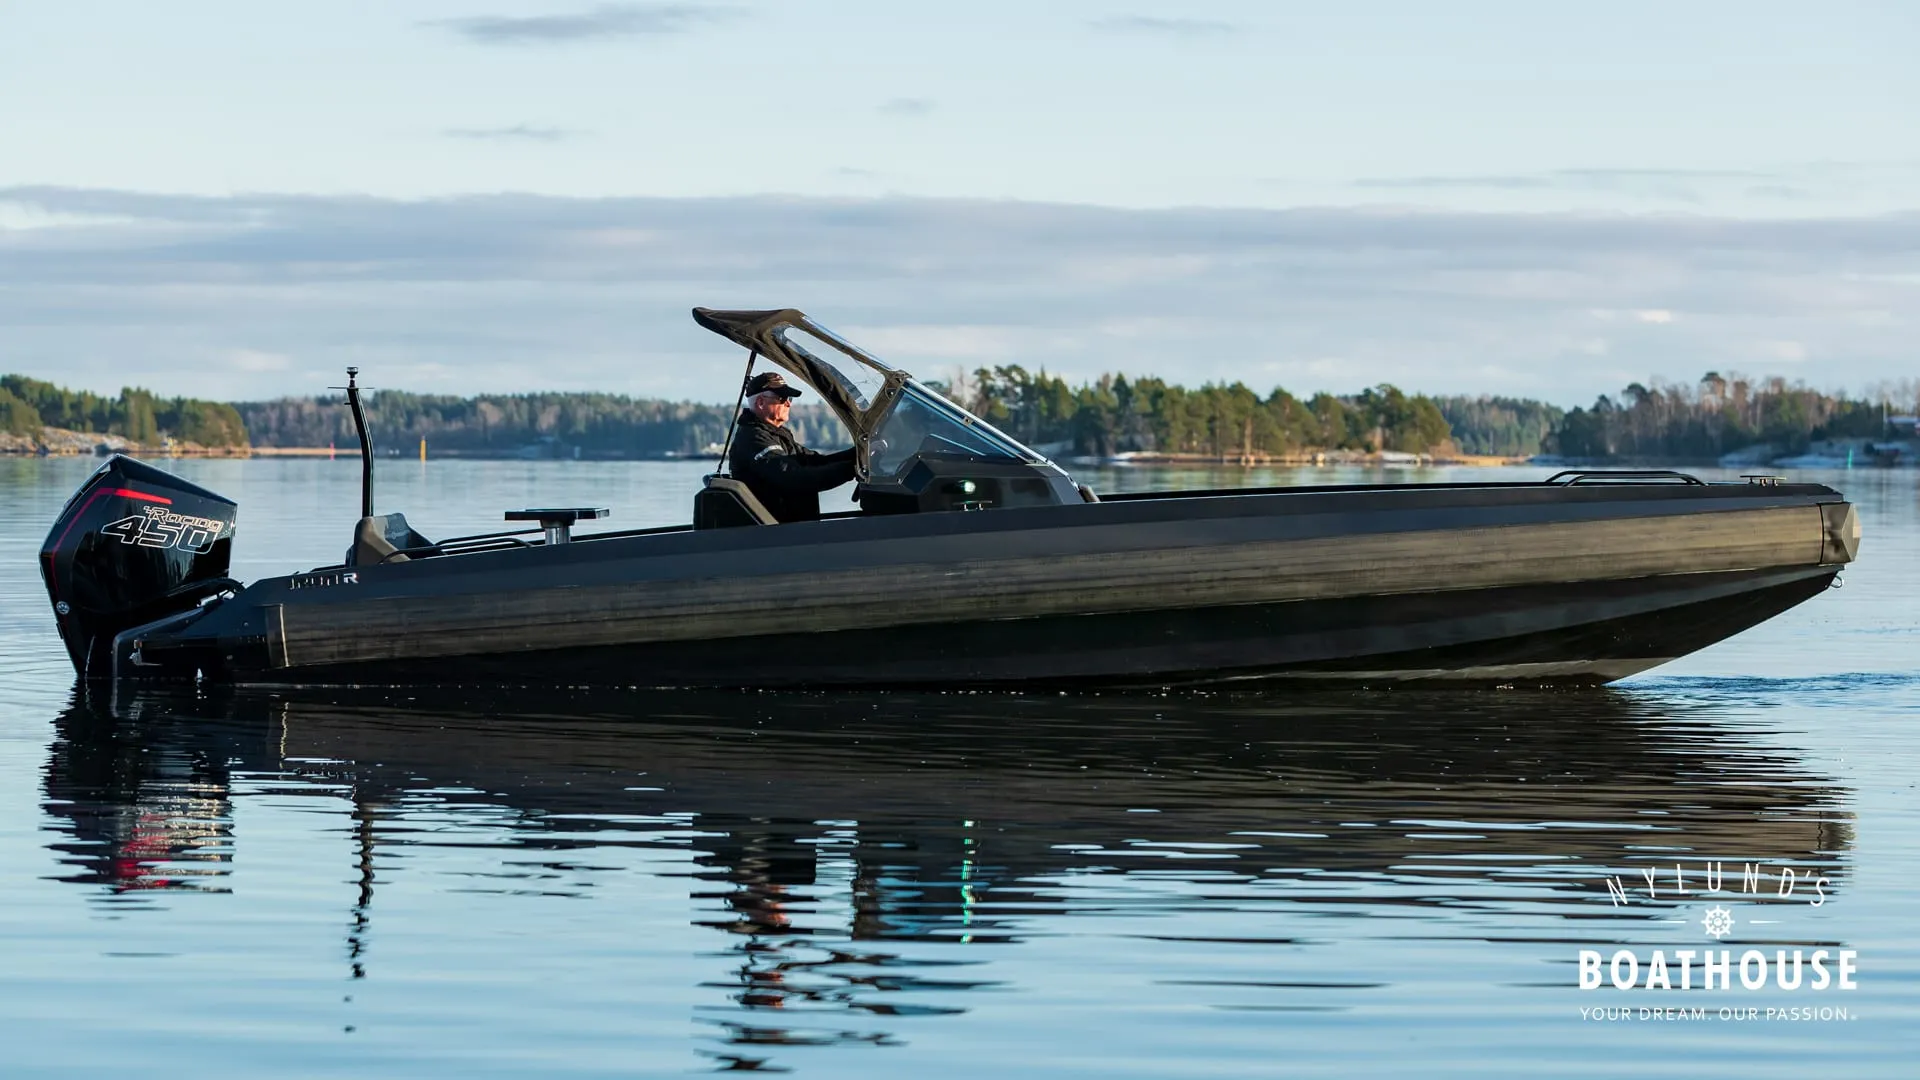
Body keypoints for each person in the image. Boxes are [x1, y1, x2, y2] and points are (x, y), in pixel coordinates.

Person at [727, 372, 857, 523]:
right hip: (776, 532)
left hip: (793, 528)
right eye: (782, 398)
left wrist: (857, 455)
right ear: (761, 402)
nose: (788, 404)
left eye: (789, 399)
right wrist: (851, 470)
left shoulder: (777, 434)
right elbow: (793, 477)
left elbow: (813, 461)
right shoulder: (754, 438)